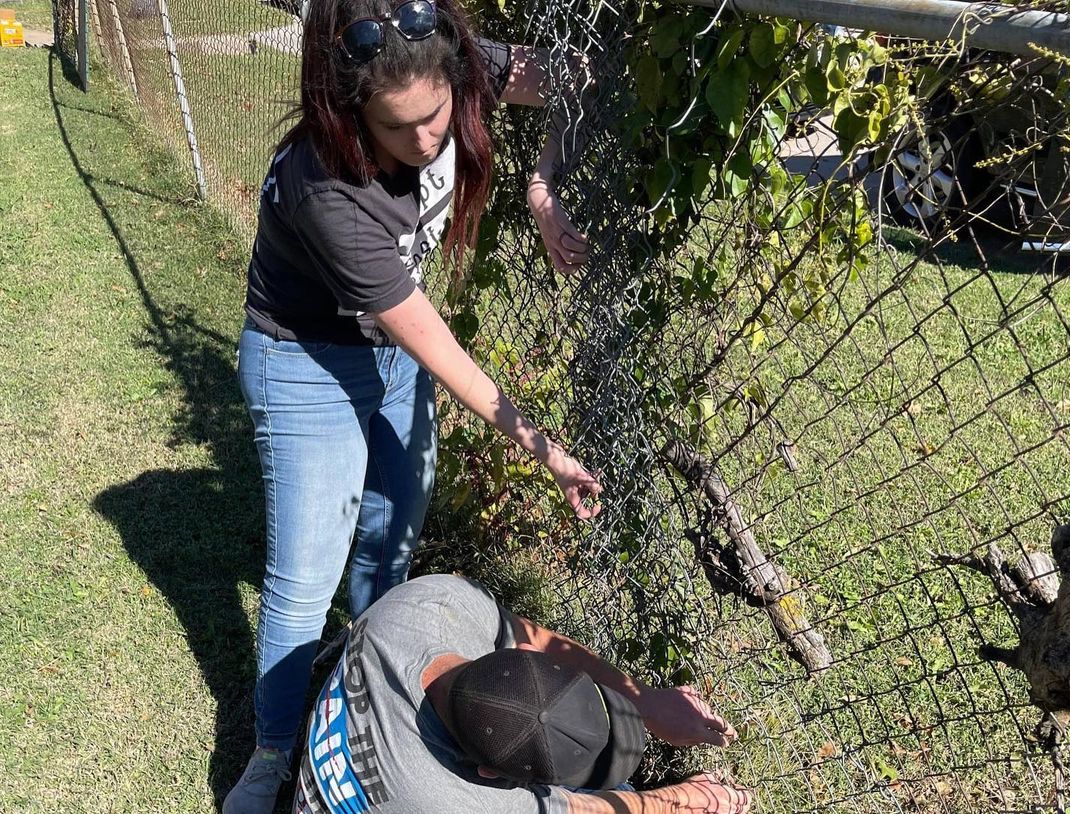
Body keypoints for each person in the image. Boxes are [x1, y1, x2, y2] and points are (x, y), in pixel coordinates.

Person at [227, 0, 601, 811]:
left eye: (435, 115)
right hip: (304, 360)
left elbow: (580, 75)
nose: (427, 140)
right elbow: (441, 348)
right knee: (305, 575)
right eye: (397, 130)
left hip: (389, 356)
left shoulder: (460, 68)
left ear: (454, 75)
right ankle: (274, 751)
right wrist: (545, 448)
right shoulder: (324, 186)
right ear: (347, 109)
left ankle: (365, 693)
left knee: (387, 542)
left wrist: (542, 190)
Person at [293, 574, 753, 814]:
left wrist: (645, 700)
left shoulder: (428, 604)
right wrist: (683, 799)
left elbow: (530, 632)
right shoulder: (460, 800)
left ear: (526, 654)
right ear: (489, 772)